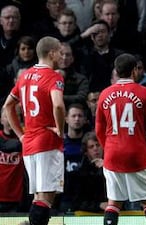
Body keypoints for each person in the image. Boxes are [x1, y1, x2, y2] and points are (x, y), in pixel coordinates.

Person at [3, 36, 65, 225]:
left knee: (39, 197)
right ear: (52, 53)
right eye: (60, 52)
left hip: (29, 143)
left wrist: (21, 134)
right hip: (47, 140)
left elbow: (8, 105)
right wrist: (60, 130)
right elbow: (59, 106)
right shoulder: (54, 77)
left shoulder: (24, 76)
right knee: (46, 198)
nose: (62, 57)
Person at [95, 53, 146, 225]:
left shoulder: (104, 94)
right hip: (137, 153)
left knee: (114, 203)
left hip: (112, 153)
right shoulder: (144, 92)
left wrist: (107, 148)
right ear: (134, 70)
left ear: (116, 71)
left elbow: (99, 129)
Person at [74, 131, 107, 212]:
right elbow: (78, 202)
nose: (95, 149)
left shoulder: (112, 168)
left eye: (98, 145)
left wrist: (106, 167)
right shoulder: (81, 173)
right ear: (86, 152)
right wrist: (99, 205)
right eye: (91, 147)